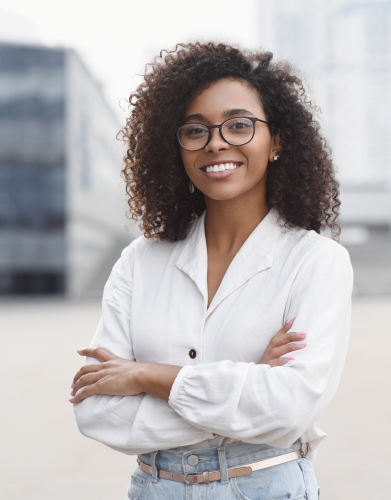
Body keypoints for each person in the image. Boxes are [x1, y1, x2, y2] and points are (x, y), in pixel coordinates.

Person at [71, 42, 353, 500]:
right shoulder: (140, 262)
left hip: (265, 487)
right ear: (177, 148)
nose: (216, 142)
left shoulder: (316, 261)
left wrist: (148, 377)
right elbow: (97, 411)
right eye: (195, 130)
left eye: (239, 125)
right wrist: (244, 383)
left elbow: (289, 408)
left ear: (277, 139)